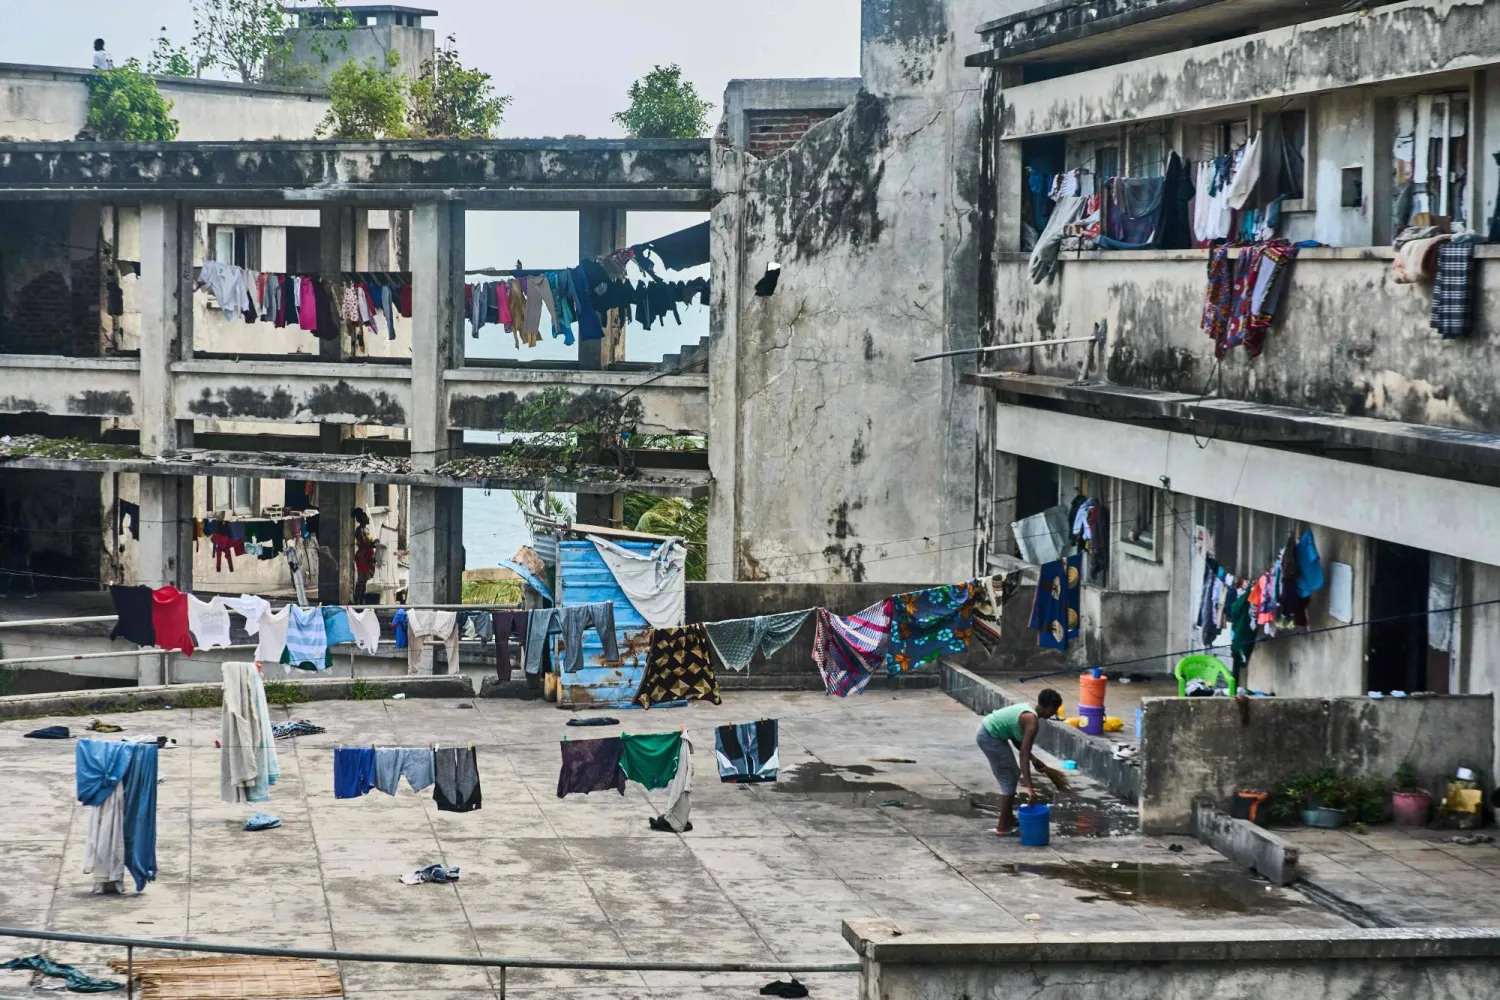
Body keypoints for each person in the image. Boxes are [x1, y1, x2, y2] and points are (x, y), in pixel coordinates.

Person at [976, 688, 1062, 837]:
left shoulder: (1028, 712)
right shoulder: (1032, 721)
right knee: (1009, 777)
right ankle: (1003, 827)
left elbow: (1018, 742)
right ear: (1048, 707)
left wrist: (1034, 760)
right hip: (989, 736)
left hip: (989, 732)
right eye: (1054, 710)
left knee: (1012, 774)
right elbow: (1023, 754)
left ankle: (1009, 819)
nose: (1053, 714)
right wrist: (1030, 788)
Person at [1, 504, 37, 599]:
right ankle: (31, 591)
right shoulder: (23, 519)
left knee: (10, 570)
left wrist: (9, 533)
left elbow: (17, 534)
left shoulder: (18, 520)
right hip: (23, 548)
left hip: (18, 549)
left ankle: (3, 591)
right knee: (25, 571)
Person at [351, 508, 377, 604]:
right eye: (366, 516)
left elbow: (368, 542)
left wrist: (374, 543)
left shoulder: (366, 529)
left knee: (365, 580)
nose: (368, 518)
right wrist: (374, 545)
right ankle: (357, 599)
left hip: (369, 554)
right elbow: (363, 544)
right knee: (361, 579)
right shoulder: (359, 530)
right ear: (361, 519)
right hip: (363, 555)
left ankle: (362, 599)